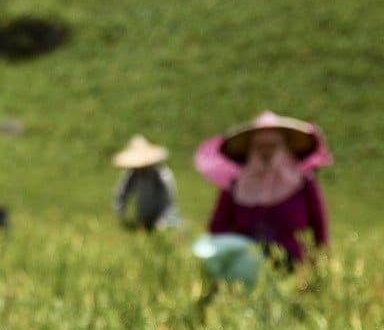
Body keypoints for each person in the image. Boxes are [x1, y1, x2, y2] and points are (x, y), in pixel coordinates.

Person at [197, 111, 331, 269]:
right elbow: (217, 229)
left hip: (295, 268)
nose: (266, 152)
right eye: (260, 146)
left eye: (272, 145)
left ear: (284, 147)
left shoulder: (302, 183)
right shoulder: (236, 186)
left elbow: (319, 228)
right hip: (245, 270)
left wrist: (319, 265)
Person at [111, 135, 180, 231]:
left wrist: (164, 219)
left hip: (162, 216)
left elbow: (169, 200)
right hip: (143, 216)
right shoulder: (133, 174)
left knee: (163, 227)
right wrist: (119, 211)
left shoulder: (162, 174)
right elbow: (122, 192)